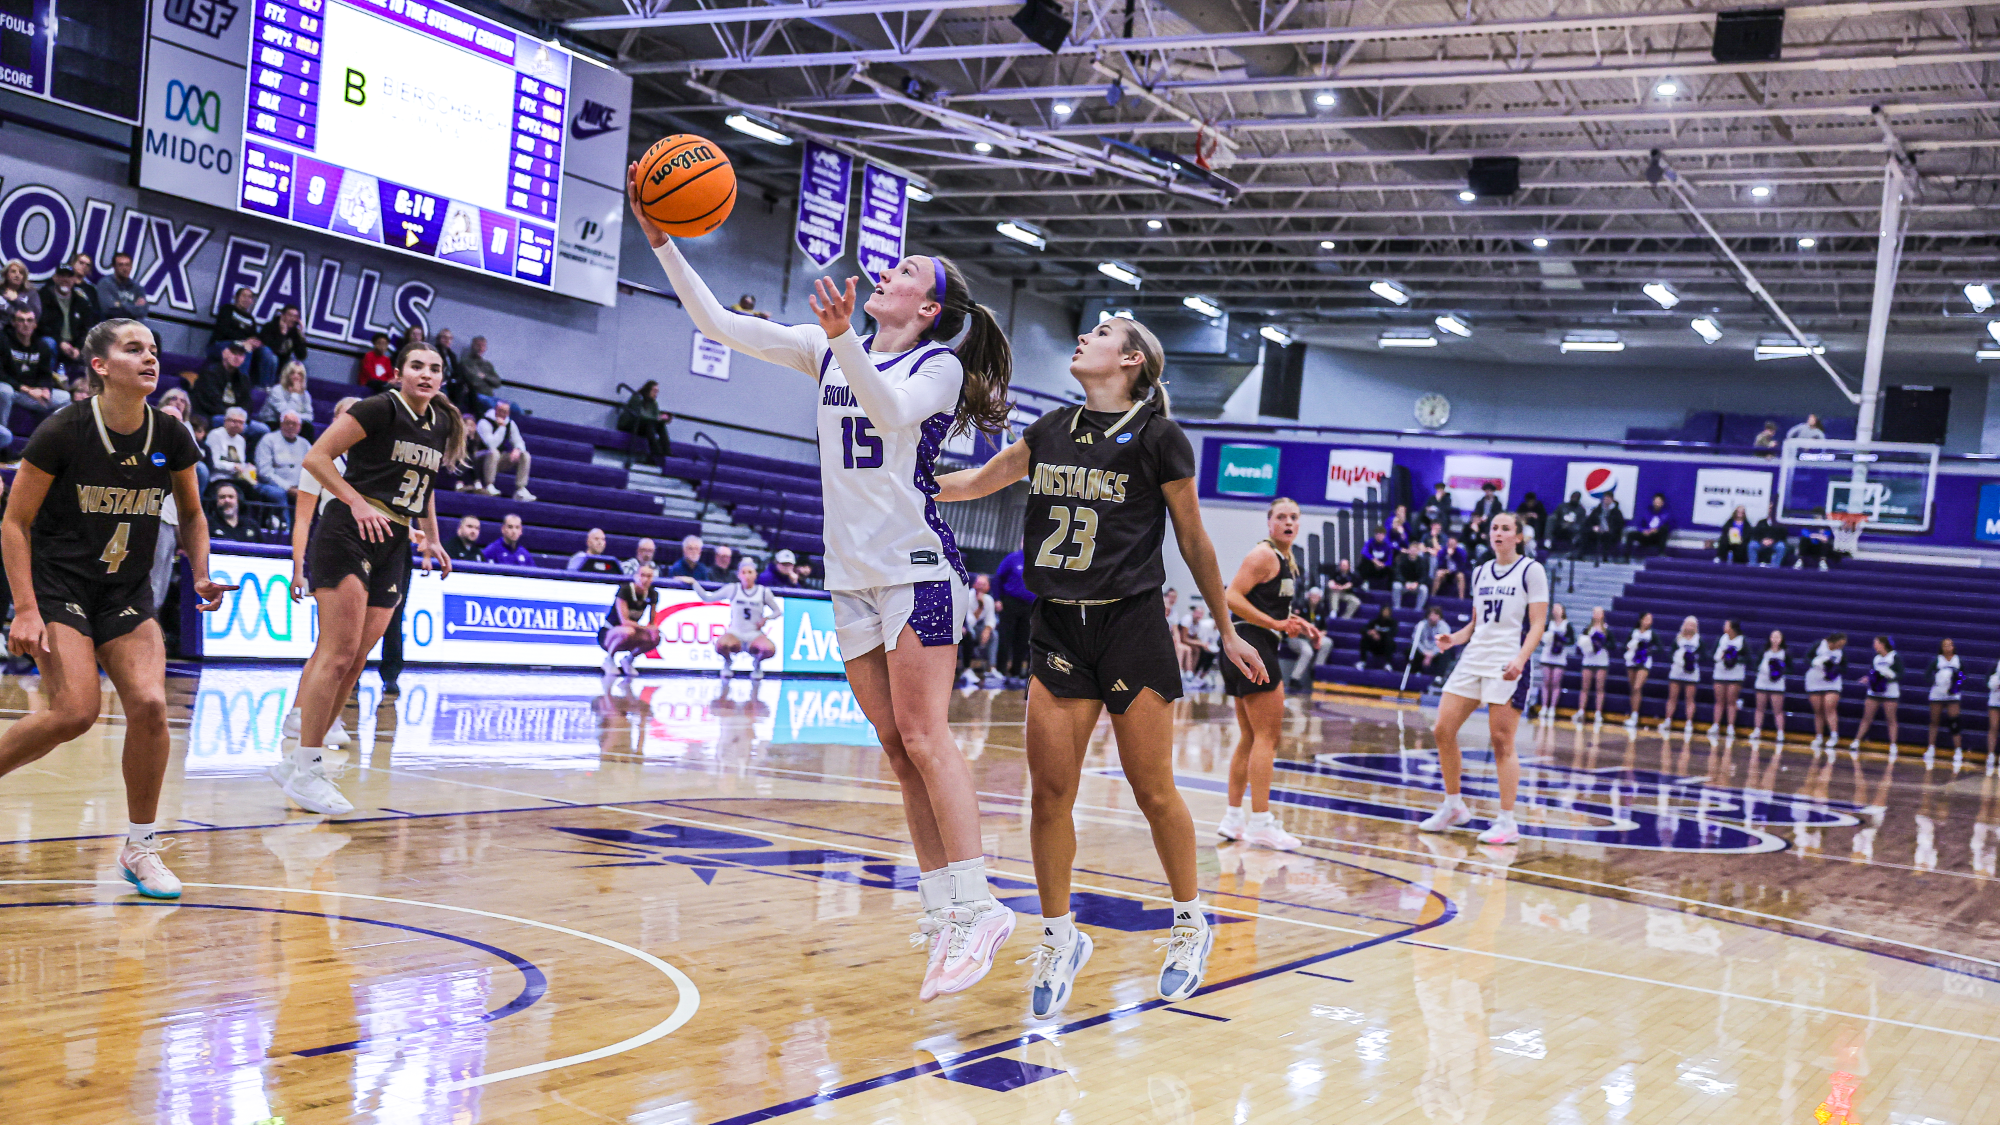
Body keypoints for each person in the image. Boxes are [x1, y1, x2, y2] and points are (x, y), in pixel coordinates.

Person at [640, 161, 1020, 1001]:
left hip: (916, 567)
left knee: (926, 737)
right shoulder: (823, 347)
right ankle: (942, 902)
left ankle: (979, 903)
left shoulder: (938, 367)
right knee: (895, 749)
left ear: (928, 309)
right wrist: (664, 242)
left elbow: (887, 413)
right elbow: (717, 322)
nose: (892, 268)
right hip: (849, 574)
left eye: (911, 271)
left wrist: (847, 336)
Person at [934, 313, 1260, 1016]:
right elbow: (979, 480)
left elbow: (1196, 541)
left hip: (1130, 623)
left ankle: (1191, 919)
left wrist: (1227, 631)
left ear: (1133, 359)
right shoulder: (1050, 429)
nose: (1084, 335)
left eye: (1103, 331)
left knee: (1153, 790)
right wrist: (906, 484)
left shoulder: (1158, 437)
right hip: (1057, 626)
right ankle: (1059, 935)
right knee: (1048, 794)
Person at [0, 317, 230, 898]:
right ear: (100, 366)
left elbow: (195, 514)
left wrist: (200, 572)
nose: (150, 358)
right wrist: (25, 608)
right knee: (75, 712)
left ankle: (141, 847)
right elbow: (14, 522)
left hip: (125, 591)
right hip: (62, 586)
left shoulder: (172, 434)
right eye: (134, 349)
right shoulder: (63, 430)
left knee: (151, 704)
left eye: (153, 350)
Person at [272, 343, 462, 815]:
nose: (426, 374)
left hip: (395, 539)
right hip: (348, 531)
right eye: (417, 366)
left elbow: (427, 486)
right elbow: (316, 459)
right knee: (336, 654)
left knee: (356, 659)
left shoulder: (439, 423)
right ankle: (309, 767)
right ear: (399, 373)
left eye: (434, 368)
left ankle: (299, 765)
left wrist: (433, 538)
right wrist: (354, 500)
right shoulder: (377, 408)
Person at [1418, 512, 1549, 846]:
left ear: (1519, 536)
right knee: (1442, 729)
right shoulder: (1479, 572)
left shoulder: (1531, 570)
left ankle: (1507, 821)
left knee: (1501, 740)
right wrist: (1455, 639)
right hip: (1474, 657)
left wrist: (1521, 659)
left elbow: (1537, 624)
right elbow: (1477, 625)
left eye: (1506, 528)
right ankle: (1453, 805)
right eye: (1494, 528)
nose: (1499, 533)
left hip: (1507, 661)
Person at [685, 558, 782, 681]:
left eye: (750, 572)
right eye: (743, 572)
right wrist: (694, 583)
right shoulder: (733, 589)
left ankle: (757, 664)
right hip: (736, 632)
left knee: (769, 649)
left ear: (755, 574)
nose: (746, 575)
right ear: (738, 575)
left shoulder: (763, 592)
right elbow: (707, 598)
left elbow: (777, 611)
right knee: (721, 645)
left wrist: (766, 618)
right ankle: (727, 662)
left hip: (754, 634)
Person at [598, 560, 662, 679]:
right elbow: (624, 621)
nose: (645, 579)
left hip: (630, 631)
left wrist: (653, 629)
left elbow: (653, 623)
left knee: (655, 637)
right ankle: (609, 659)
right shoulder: (625, 590)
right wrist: (646, 628)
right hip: (609, 632)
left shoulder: (653, 594)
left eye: (649, 576)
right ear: (636, 576)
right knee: (628, 630)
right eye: (642, 575)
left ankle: (628, 660)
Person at [2, 305, 60, 427]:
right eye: (21, 320)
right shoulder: (4, 341)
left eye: (29, 320)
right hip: (15, 390)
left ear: (35, 324)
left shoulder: (42, 346)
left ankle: (52, 439)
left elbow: (45, 375)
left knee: (65, 398)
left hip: (33, 393)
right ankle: (2, 436)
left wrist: (46, 390)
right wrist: (27, 390)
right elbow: (1, 374)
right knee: (4, 391)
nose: (26, 324)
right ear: (14, 323)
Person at [192, 343, 264, 436]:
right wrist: (231, 417)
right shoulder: (209, 374)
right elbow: (211, 402)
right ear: (224, 353)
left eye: (241, 355)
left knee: (262, 429)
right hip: (213, 415)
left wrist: (240, 418)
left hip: (237, 419)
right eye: (234, 353)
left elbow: (247, 403)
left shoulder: (244, 379)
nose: (237, 357)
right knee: (224, 421)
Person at [474, 400, 535, 501]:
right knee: (494, 452)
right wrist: (502, 427)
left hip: (497, 459)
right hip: (480, 458)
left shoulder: (510, 424)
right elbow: (491, 444)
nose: (504, 414)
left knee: (525, 455)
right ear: (496, 410)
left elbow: (519, 441)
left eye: (506, 412)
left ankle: (521, 489)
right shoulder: (484, 422)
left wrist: (517, 449)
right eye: (501, 411)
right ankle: (489, 485)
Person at [1851, 635, 1902, 753]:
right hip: (1874, 691)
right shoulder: (1876, 658)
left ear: (1882, 644)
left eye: (1876, 643)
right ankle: (1857, 741)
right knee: (1866, 717)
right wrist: (1868, 678)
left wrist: (1886, 678)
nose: (1874, 646)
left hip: (1890, 692)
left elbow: (1901, 673)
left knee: (1891, 719)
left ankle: (1893, 745)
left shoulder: (1894, 656)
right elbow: (1872, 672)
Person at [37, 266, 92, 372]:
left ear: (74, 279)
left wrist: (78, 347)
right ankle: (48, 379)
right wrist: (60, 342)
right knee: (48, 343)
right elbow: (41, 326)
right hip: (54, 341)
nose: (65, 280)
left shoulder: (81, 301)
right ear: (55, 278)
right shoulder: (44, 297)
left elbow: (86, 328)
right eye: (62, 276)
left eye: (69, 276)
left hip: (73, 345)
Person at [993, 547, 1034, 685]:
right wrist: (997, 599)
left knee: (1023, 640)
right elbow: (998, 577)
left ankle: (1016, 672)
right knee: (1005, 637)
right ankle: (1000, 670)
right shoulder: (1012, 558)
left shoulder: (1037, 560)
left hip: (1029, 606)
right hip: (1010, 602)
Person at [255, 410, 311, 508]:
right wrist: (288, 488)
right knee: (278, 494)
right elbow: (264, 472)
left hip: (298, 487)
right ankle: (284, 523)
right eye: (287, 423)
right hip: (272, 486)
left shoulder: (305, 444)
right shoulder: (268, 440)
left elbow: (310, 469)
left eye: (294, 424)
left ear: (300, 427)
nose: (291, 426)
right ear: (281, 424)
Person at [1805, 633, 1848, 751]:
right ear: (1834, 641)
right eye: (1840, 643)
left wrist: (1835, 670)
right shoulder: (1819, 645)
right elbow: (1806, 658)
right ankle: (1819, 736)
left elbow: (1845, 667)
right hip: (1815, 679)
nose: (1841, 646)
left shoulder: (1840, 652)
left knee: (1829, 707)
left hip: (1832, 681)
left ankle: (1834, 735)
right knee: (1818, 709)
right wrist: (1816, 662)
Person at [1661, 615, 1703, 735]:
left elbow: (1705, 655)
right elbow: (1670, 653)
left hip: (1691, 672)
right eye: (1688, 624)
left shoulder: (1698, 640)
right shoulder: (1678, 638)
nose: (1689, 627)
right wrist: (1677, 658)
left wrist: (1694, 658)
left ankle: (1689, 722)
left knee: (1690, 699)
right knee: (1672, 697)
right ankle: (1668, 720)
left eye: (1692, 625)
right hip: (1677, 670)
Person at [957, 572, 998, 688]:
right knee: (970, 635)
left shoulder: (989, 600)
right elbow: (968, 622)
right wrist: (980, 606)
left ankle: (991, 668)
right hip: (965, 628)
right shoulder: (967, 597)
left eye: (983, 584)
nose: (980, 586)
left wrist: (987, 630)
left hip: (979, 627)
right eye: (978, 584)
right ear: (973, 585)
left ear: (988, 587)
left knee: (994, 635)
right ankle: (967, 669)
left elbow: (991, 619)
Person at [1925, 638, 1962, 761]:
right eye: (1945, 645)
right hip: (1937, 694)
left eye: (1950, 645)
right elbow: (1927, 674)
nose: (1947, 647)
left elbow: (1964, 675)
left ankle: (1958, 750)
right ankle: (1931, 748)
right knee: (1934, 721)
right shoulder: (1937, 660)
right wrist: (1936, 682)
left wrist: (1956, 685)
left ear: (1953, 647)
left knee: (1954, 722)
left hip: (1952, 695)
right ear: (1941, 648)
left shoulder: (1957, 660)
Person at [1533, 601, 1572, 720]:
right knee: (1546, 682)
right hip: (1547, 656)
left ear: (1563, 611)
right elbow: (1540, 638)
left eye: (1558, 609)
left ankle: (1552, 708)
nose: (1556, 611)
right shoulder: (1548, 624)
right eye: (1554, 609)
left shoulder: (1567, 625)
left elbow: (1572, 640)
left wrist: (1562, 640)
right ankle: (1544, 706)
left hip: (1559, 657)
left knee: (1555, 682)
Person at [617, 379, 674, 460]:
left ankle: (667, 453)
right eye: (654, 391)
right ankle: (655, 454)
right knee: (650, 424)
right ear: (648, 390)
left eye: (657, 392)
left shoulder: (654, 403)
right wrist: (658, 418)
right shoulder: (637, 398)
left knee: (660, 425)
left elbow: (655, 417)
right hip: (630, 424)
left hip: (644, 426)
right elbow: (640, 415)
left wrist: (664, 419)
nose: (656, 394)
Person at [1750, 631, 1789, 741]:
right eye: (1773, 636)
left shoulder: (1785, 652)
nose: (1775, 639)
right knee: (1760, 708)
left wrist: (1780, 670)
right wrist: (1763, 670)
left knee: (1778, 710)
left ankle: (1780, 732)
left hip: (1777, 684)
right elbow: (1755, 665)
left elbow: (1790, 668)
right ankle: (1757, 730)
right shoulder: (1763, 651)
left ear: (1782, 639)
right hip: (1762, 682)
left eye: (1778, 637)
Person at [1710, 618, 1746, 737]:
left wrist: (1735, 659)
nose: (1724, 626)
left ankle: (1731, 726)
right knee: (1719, 701)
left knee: (1731, 701)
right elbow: (1712, 655)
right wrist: (1722, 657)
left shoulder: (1742, 641)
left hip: (1735, 675)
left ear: (1732, 628)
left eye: (1726, 625)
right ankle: (1716, 725)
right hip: (1720, 673)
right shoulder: (1720, 639)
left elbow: (1749, 659)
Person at [258, 361, 315, 433]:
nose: (296, 376)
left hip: (293, 423)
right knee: (289, 425)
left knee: (308, 428)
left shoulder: (306, 395)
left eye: (300, 374)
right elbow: (286, 414)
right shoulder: (277, 390)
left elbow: (310, 417)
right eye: (292, 373)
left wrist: (296, 417)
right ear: (287, 375)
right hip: (273, 421)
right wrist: (295, 394)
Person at [1622, 611, 1656, 728]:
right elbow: (1624, 645)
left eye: (1650, 619)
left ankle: (1635, 716)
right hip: (1632, 661)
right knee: (1633, 689)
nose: (1649, 621)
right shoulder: (1634, 632)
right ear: (1641, 620)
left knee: (1637, 687)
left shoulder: (1652, 634)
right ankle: (1634, 714)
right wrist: (1630, 646)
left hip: (1644, 662)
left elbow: (1660, 648)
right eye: (1647, 618)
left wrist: (1648, 650)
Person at [1577, 607, 1611, 722]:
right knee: (1584, 687)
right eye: (1595, 612)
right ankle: (1581, 711)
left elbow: (1613, 645)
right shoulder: (1587, 629)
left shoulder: (1606, 629)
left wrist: (1602, 643)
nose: (1597, 615)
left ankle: (1598, 713)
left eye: (1599, 612)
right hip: (1588, 660)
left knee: (1599, 687)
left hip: (1601, 661)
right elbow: (1580, 643)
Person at [95, 252, 149, 321]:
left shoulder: (137, 287)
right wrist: (134, 307)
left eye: (127, 265)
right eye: (121, 265)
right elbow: (107, 310)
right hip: (110, 326)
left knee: (153, 332)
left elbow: (143, 311)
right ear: (114, 267)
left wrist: (120, 304)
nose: (125, 268)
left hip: (130, 327)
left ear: (131, 267)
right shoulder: (105, 283)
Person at [261, 305, 309, 381]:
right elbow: (271, 350)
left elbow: (301, 356)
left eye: (296, 317)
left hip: (282, 366)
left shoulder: (294, 333)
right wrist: (282, 334)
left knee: (299, 366)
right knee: (273, 359)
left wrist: (301, 337)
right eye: (290, 315)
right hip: (265, 366)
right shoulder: (270, 327)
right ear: (282, 316)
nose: (293, 319)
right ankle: (265, 387)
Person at [459, 335, 503, 412]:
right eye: (478, 345)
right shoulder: (466, 362)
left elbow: (498, 382)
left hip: (490, 396)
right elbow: (474, 382)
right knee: (496, 409)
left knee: (514, 407)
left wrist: (484, 376)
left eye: (483, 346)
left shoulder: (488, 364)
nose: (480, 348)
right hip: (476, 396)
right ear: (473, 346)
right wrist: (489, 381)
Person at [1408, 603, 1452, 678]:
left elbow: (1444, 643)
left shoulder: (1444, 627)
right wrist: (1424, 652)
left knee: (1446, 653)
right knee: (1410, 650)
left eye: (1436, 615)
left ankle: (1439, 677)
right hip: (1423, 650)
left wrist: (1432, 654)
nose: (1433, 617)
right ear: (1428, 615)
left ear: (1439, 616)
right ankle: (1414, 673)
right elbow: (1415, 641)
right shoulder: (1421, 625)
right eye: (1432, 615)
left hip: (1436, 651)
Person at [1627, 492, 1674, 556]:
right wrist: (1643, 531)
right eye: (1655, 501)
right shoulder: (1647, 513)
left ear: (1662, 503)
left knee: (1664, 529)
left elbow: (1669, 527)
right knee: (1630, 535)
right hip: (1646, 535)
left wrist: (1656, 530)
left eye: (1659, 502)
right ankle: (1625, 557)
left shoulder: (1666, 515)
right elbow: (1640, 525)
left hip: (1656, 537)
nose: (1656, 504)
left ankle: (1661, 553)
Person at [1584, 494, 1625, 562]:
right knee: (1586, 533)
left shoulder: (1616, 512)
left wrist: (1609, 529)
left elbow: (1619, 525)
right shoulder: (1597, 510)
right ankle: (1582, 555)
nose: (1606, 501)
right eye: (1605, 499)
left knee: (1607, 536)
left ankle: (1605, 557)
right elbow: (1589, 521)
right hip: (1598, 531)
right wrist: (1594, 527)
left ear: (1612, 500)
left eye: (1608, 499)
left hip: (1611, 533)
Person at [1357, 604, 1398, 668]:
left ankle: (1388, 664)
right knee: (1364, 639)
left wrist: (1379, 635)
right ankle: (1363, 661)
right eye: (1384, 611)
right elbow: (1363, 629)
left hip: (1385, 646)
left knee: (1390, 641)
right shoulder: (1375, 621)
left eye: (1387, 611)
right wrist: (1370, 632)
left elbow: (1393, 633)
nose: (1386, 613)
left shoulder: (1393, 623)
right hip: (1375, 645)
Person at [1392, 540, 1429, 609]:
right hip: (1404, 584)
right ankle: (1397, 607)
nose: (1413, 552)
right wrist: (1405, 583)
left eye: (1415, 550)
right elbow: (1397, 573)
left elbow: (1424, 576)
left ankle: (1418, 609)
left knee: (1424, 589)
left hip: (1416, 585)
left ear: (1418, 551)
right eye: (1411, 550)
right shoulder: (1401, 559)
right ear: (1408, 550)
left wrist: (1417, 583)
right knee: (1396, 586)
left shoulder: (1422, 561)